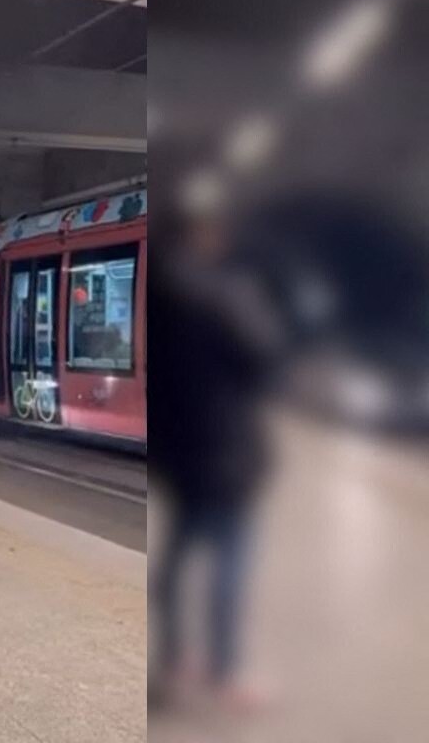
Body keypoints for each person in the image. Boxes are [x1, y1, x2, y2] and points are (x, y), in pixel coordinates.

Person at [149, 213, 282, 710]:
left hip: (177, 452)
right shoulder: (226, 295)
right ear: (205, 237)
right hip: (224, 451)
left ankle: (176, 658)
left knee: (178, 556)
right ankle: (225, 672)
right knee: (232, 561)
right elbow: (263, 360)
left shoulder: (159, 298)